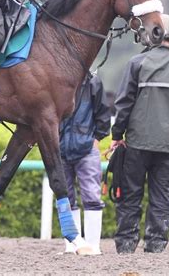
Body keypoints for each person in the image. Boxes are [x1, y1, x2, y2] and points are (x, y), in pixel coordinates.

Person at [110, 14, 169, 254]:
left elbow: (123, 104)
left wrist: (116, 135)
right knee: (163, 197)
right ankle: (156, 245)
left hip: (137, 143)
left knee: (130, 195)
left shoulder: (137, 63)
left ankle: (125, 245)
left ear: (152, 34)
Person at [59, 73, 111, 255]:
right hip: (60, 147)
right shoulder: (57, 78)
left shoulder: (93, 81)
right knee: (65, 197)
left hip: (86, 148)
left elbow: (104, 113)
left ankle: (93, 245)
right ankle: (72, 245)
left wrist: (96, 140)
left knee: (92, 196)